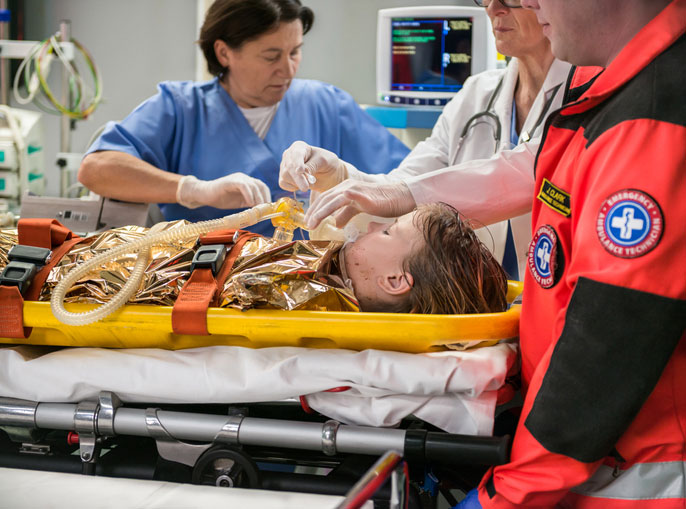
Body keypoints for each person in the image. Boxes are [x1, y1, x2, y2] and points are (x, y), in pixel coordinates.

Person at [454, 0, 686, 507]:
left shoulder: (652, 115)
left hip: (639, 476)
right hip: (593, 460)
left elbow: (610, 338)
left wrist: (509, 493)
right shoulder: (612, 93)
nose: (529, 2)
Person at [279, 0, 572, 279]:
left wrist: (400, 194)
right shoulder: (477, 93)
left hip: (556, 293)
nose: (494, 9)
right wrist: (338, 175)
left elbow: (527, 171)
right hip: (481, 306)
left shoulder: (587, 91)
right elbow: (404, 187)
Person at [77, 0, 409, 236]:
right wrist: (193, 190)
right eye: (271, 56)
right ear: (224, 52)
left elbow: (410, 183)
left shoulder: (326, 105)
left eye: (295, 52)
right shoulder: (180, 109)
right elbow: (96, 169)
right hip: (207, 288)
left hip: (314, 282)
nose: (288, 69)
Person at [2, 203, 507, 316]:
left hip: (46, 273)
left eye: (390, 230)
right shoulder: (329, 268)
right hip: (74, 252)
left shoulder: (311, 297)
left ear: (397, 279)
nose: (374, 226)